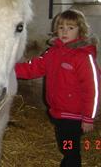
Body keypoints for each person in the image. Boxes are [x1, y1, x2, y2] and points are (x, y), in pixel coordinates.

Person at [15, 9, 100, 167]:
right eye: (61, 27)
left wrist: (89, 118)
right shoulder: (52, 53)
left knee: (70, 148)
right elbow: (34, 67)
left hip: (74, 115)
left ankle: (71, 162)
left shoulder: (83, 57)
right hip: (58, 111)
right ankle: (69, 158)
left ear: (80, 30)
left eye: (70, 28)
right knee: (64, 142)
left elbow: (92, 90)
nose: (64, 31)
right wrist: (9, 70)